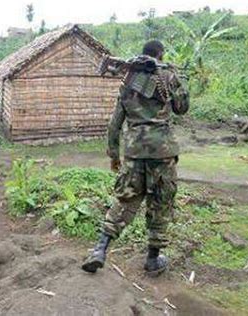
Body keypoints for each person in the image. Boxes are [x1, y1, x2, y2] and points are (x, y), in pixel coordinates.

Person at [81, 40, 190, 276]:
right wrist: (178, 83)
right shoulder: (168, 75)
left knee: (124, 199)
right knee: (161, 203)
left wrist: (113, 155)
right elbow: (182, 107)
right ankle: (152, 260)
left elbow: (114, 125)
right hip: (162, 152)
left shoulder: (128, 80)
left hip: (133, 152)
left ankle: (99, 250)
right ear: (160, 54)